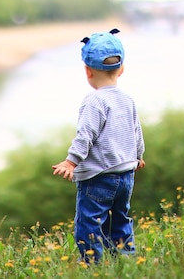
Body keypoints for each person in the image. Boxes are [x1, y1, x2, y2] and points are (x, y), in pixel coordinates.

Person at [52, 28, 145, 263]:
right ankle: (126, 261)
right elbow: (136, 132)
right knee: (120, 220)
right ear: (121, 69)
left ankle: (93, 266)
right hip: (126, 175)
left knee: (89, 224)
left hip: (98, 177)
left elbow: (86, 135)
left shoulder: (94, 101)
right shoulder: (127, 99)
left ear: (87, 71)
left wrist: (71, 161)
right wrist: (138, 156)